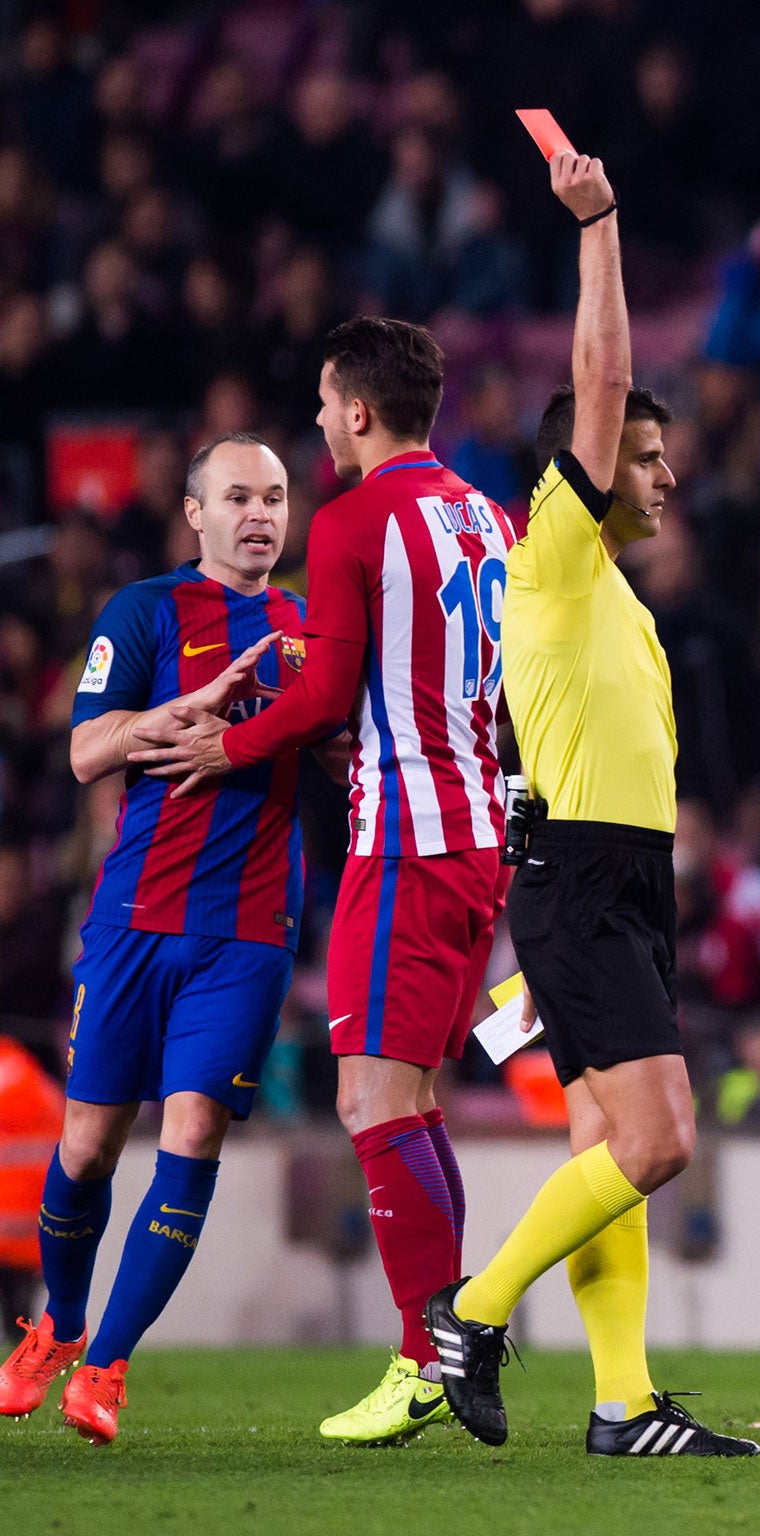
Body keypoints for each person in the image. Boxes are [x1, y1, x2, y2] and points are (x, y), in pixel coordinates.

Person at [421, 148, 757, 1460]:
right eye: (649, 458)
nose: (666, 477)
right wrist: (604, 224)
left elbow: (530, 753)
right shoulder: (555, 557)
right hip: (583, 883)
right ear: (592, 466)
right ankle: (477, 1311)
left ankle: (622, 1406)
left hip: (603, 878)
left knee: (612, 1146)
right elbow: (601, 380)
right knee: (662, 1141)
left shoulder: (613, 600)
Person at [134, 322, 516, 1445]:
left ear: (356, 411)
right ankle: (456, 1335)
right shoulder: (489, 516)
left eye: (319, 402)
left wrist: (227, 746)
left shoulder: (356, 518)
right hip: (480, 834)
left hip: (403, 839)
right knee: (414, 1100)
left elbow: (328, 693)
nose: (313, 421)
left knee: (366, 1101)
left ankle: (425, 1357)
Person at [0, 435, 337, 1443]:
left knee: (190, 1132)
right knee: (89, 1144)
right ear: (194, 513)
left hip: (247, 930)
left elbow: (336, 755)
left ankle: (105, 1367)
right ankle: (59, 1321)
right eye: (237, 496)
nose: (259, 514)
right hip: (132, 920)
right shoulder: (143, 612)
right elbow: (84, 752)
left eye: (275, 496)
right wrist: (190, 709)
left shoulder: (312, 632)